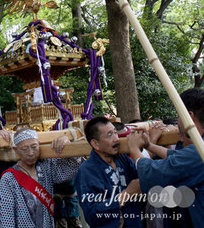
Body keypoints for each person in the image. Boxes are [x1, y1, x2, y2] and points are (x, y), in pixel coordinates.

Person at [127, 87, 204, 228]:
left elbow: (154, 174)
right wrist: (150, 145)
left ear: (190, 116)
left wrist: (133, 148)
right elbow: (177, 156)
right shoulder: (198, 149)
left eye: (179, 116)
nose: (178, 122)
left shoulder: (199, 151)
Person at [0, 128, 82, 228]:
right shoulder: (9, 178)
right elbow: (5, 217)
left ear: (39, 145)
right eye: (24, 149)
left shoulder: (46, 168)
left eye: (34, 147)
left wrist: (67, 144)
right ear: (16, 150)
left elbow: (71, 167)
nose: (31, 153)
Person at [75, 116, 142, 228]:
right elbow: (91, 211)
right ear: (95, 144)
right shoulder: (87, 171)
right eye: (109, 135)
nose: (116, 139)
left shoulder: (124, 159)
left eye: (115, 133)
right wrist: (125, 195)